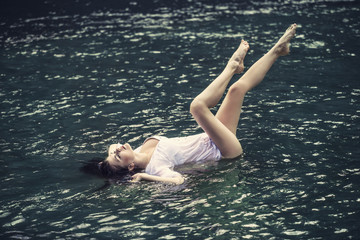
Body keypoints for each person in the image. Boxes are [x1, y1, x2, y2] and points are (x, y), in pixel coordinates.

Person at [98, 24, 297, 185]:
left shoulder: (140, 149)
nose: (115, 150)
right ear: (131, 166)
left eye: (111, 151)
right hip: (224, 150)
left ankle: (278, 51)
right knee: (197, 107)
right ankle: (232, 66)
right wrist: (144, 177)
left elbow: (114, 150)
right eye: (116, 157)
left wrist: (107, 162)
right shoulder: (155, 166)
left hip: (213, 136)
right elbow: (178, 180)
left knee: (237, 89)